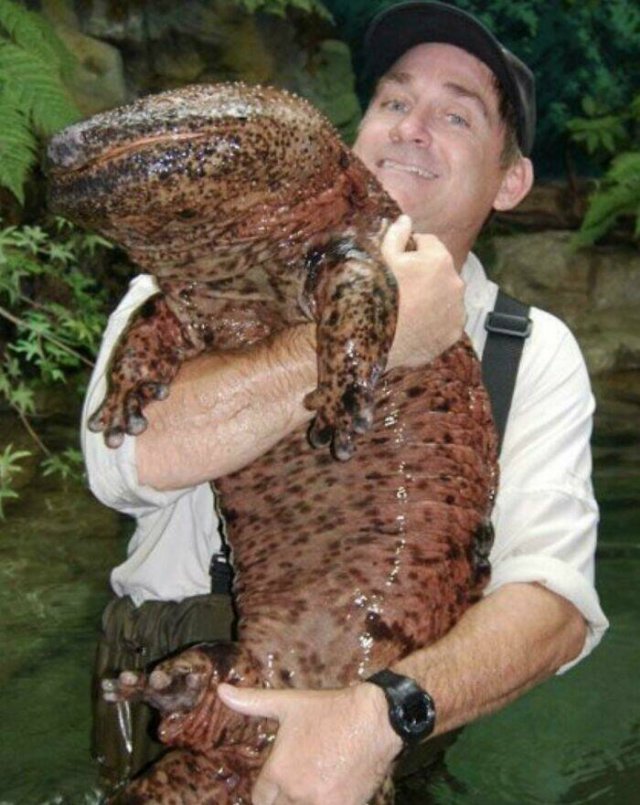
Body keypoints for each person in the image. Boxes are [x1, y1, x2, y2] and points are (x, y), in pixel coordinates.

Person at [83, 1, 609, 802]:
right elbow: (123, 461)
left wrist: (378, 718)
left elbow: (553, 607)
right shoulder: (198, 274)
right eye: (393, 100)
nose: (410, 127)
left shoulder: (532, 351)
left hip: (379, 735)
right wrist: (376, 338)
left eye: (456, 115)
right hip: (170, 706)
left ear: (512, 181)